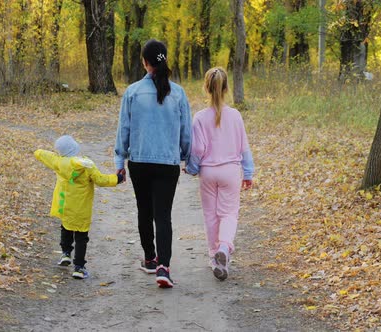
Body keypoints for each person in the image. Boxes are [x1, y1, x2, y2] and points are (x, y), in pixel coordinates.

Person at [114, 39, 191, 288]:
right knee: (163, 215)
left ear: (145, 62)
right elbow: (186, 133)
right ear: (164, 59)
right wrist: (187, 158)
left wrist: (119, 161)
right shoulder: (178, 93)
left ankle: (149, 259)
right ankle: (163, 267)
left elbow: (123, 130)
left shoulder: (133, 92)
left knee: (145, 211)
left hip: (140, 162)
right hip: (167, 163)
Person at [185, 67, 254, 281]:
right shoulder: (235, 116)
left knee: (211, 216)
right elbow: (244, 148)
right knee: (229, 213)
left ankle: (215, 257)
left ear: (206, 87)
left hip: (208, 172)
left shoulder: (200, 118)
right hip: (231, 172)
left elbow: (197, 150)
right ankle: (224, 247)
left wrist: (192, 168)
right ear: (226, 88)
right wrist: (248, 173)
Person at [35, 135, 123, 279]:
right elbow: (100, 180)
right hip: (82, 208)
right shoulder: (86, 165)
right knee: (81, 236)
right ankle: (79, 267)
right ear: (75, 148)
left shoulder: (58, 162)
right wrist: (117, 179)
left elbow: (43, 154)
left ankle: (66, 253)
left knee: (66, 227)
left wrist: (38, 152)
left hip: (65, 205)